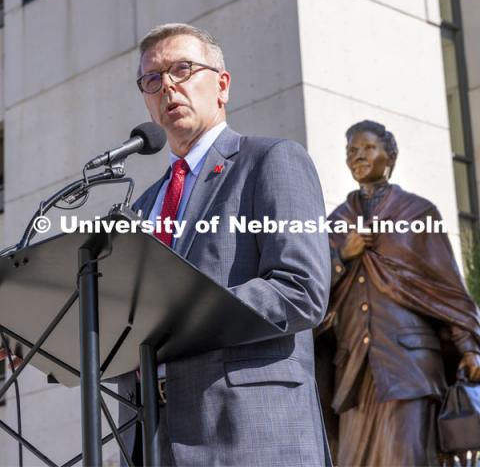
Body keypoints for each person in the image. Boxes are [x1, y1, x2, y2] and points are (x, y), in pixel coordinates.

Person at [117, 23, 331, 466]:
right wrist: (42, 341)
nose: (168, 87)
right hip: (149, 438)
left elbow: (302, 290)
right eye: (153, 80)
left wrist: (180, 320)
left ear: (222, 85)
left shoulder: (271, 161)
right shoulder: (139, 208)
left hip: (248, 432)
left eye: (182, 68)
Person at [316, 119, 480, 466]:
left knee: (406, 457)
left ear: (389, 156)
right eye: (351, 152)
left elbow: (447, 289)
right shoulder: (335, 223)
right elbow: (313, 292)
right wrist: (342, 257)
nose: (358, 157)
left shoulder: (418, 213)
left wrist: (469, 348)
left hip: (409, 366)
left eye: (367, 149)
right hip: (354, 373)